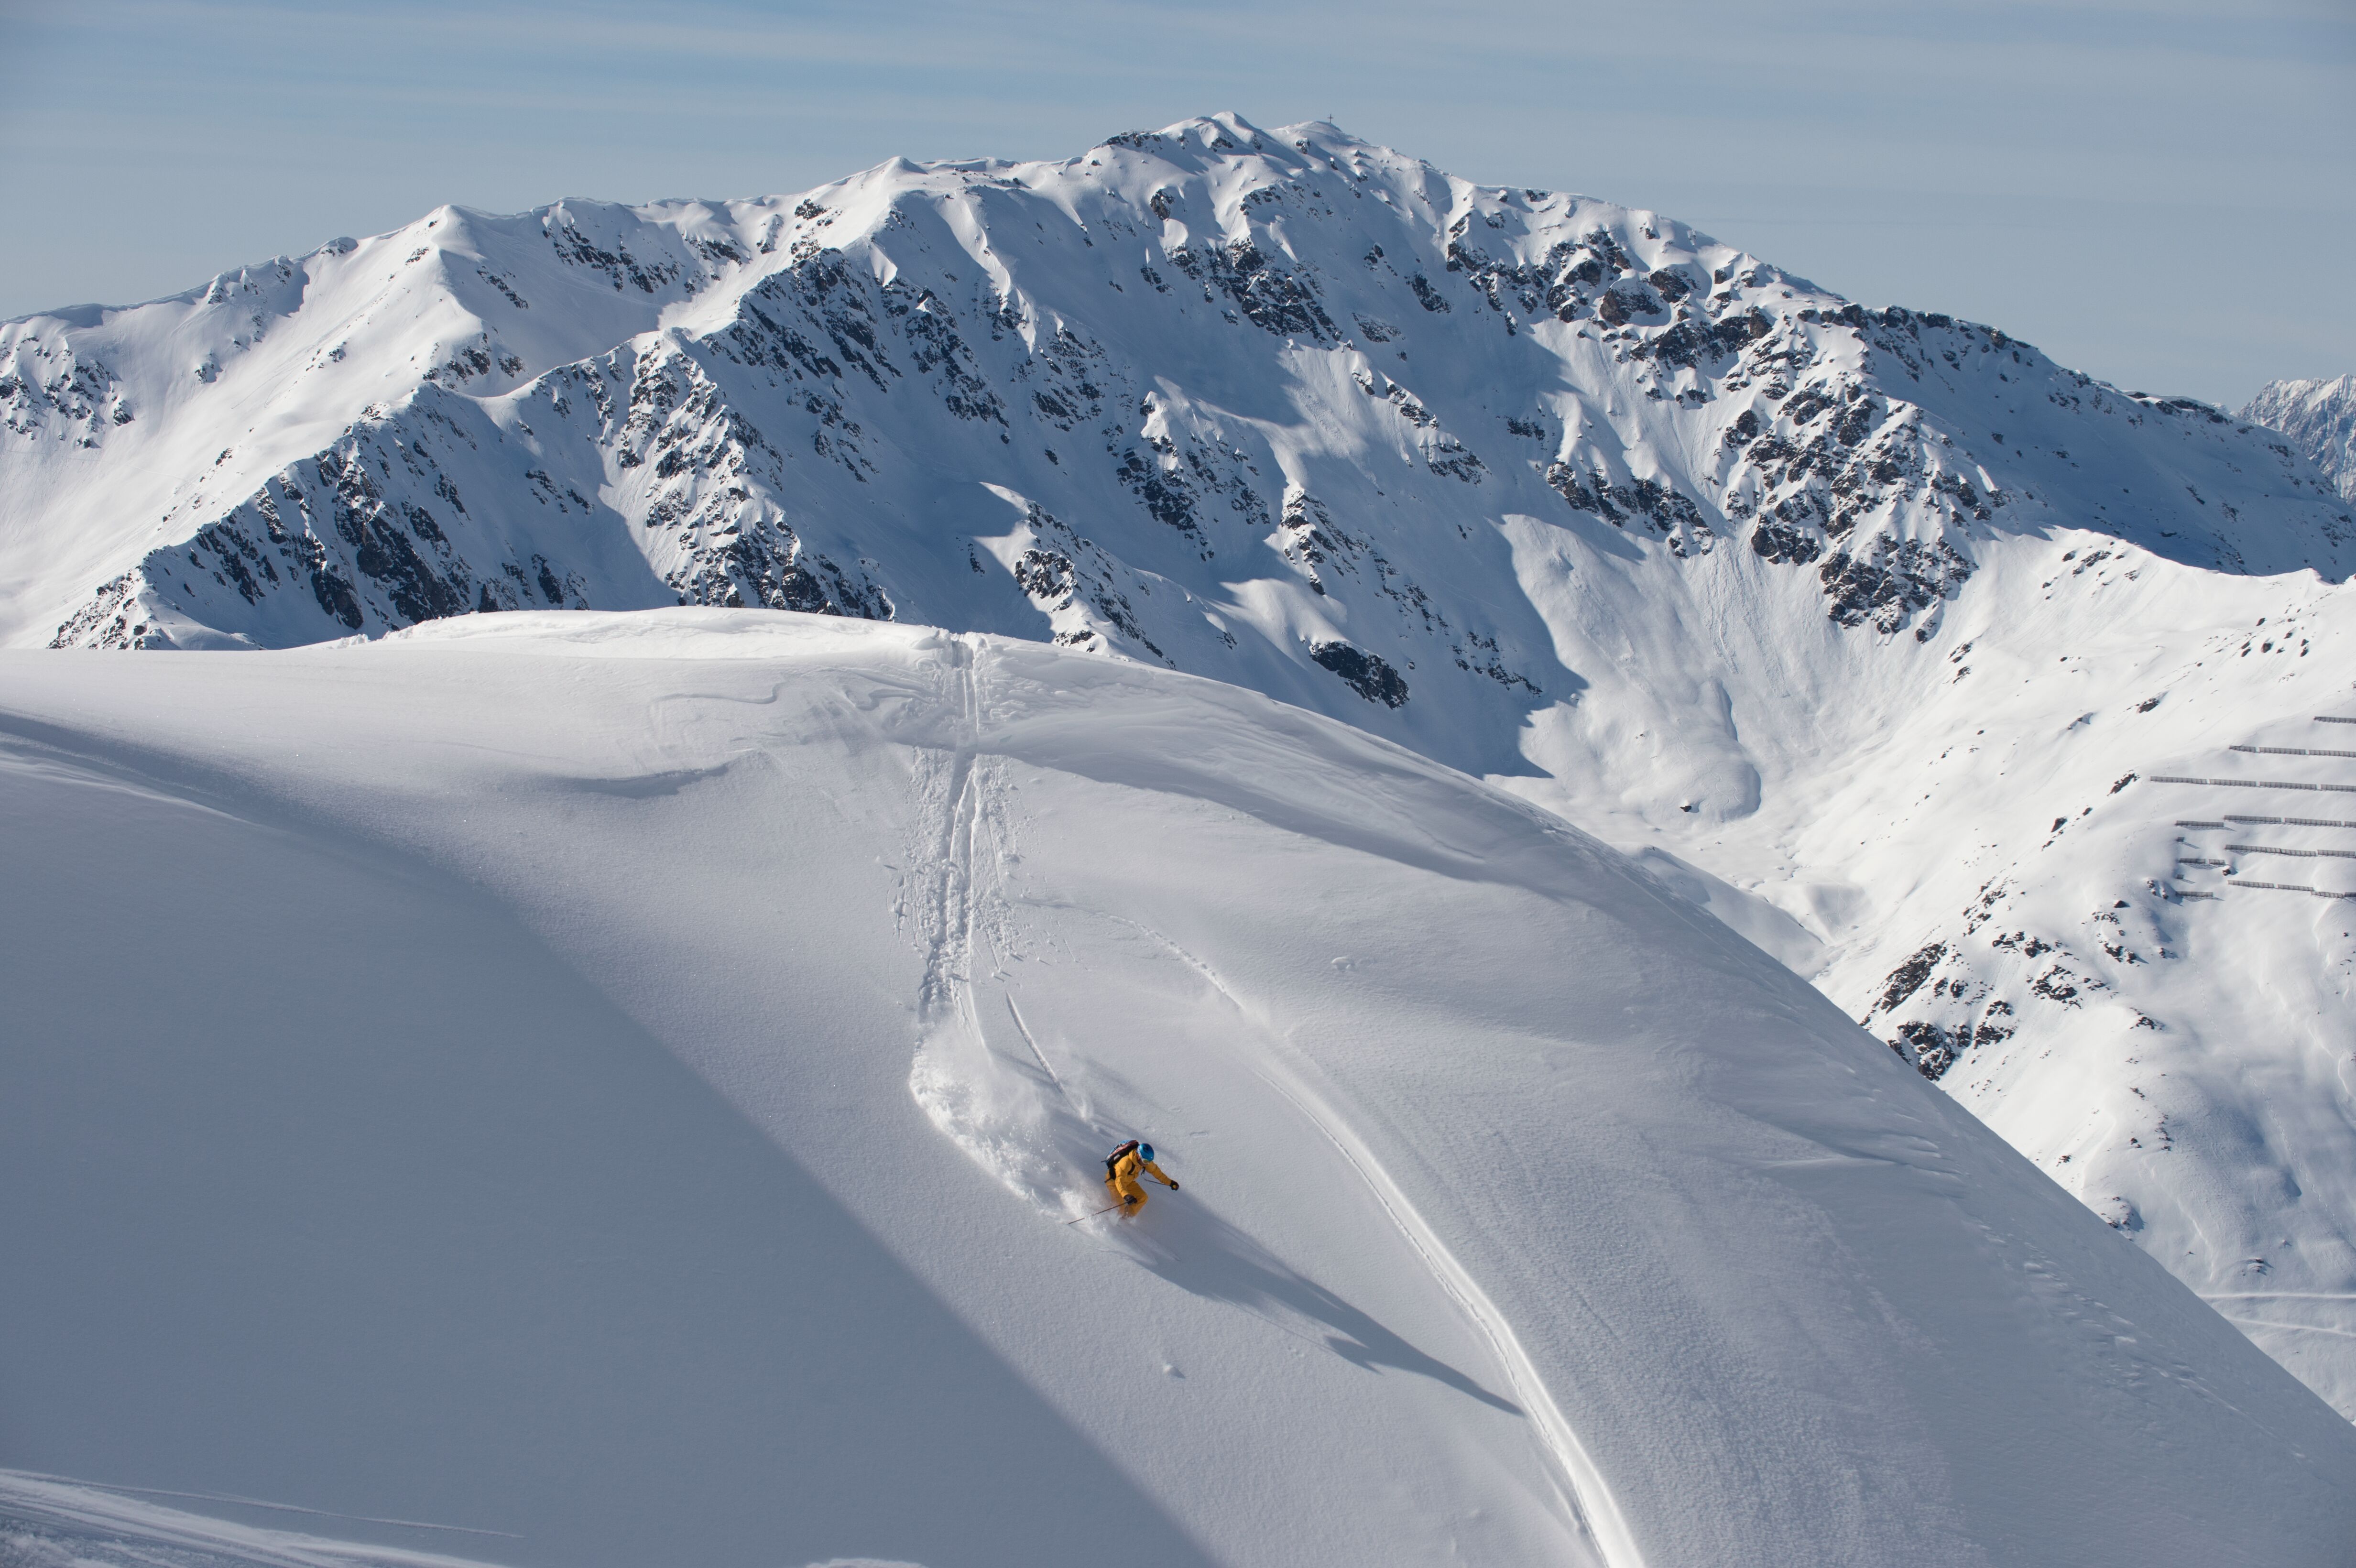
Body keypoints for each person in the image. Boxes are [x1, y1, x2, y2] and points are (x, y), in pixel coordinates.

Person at [1105, 1140, 1178, 1216]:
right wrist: (1126, 1195)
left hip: (1128, 1182)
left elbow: (1157, 1172)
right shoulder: (1126, 1163)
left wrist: (1170, 1183)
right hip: (1114, 1183)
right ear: (1139, 1155)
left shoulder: (1145, 1163)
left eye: (1149, 1162)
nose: (1147, 1164)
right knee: (1119, 1210)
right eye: (1145, 1161)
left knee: (1143, 1197)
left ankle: (1126, 1218)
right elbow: (1119, 1181)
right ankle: (1111, 1219)